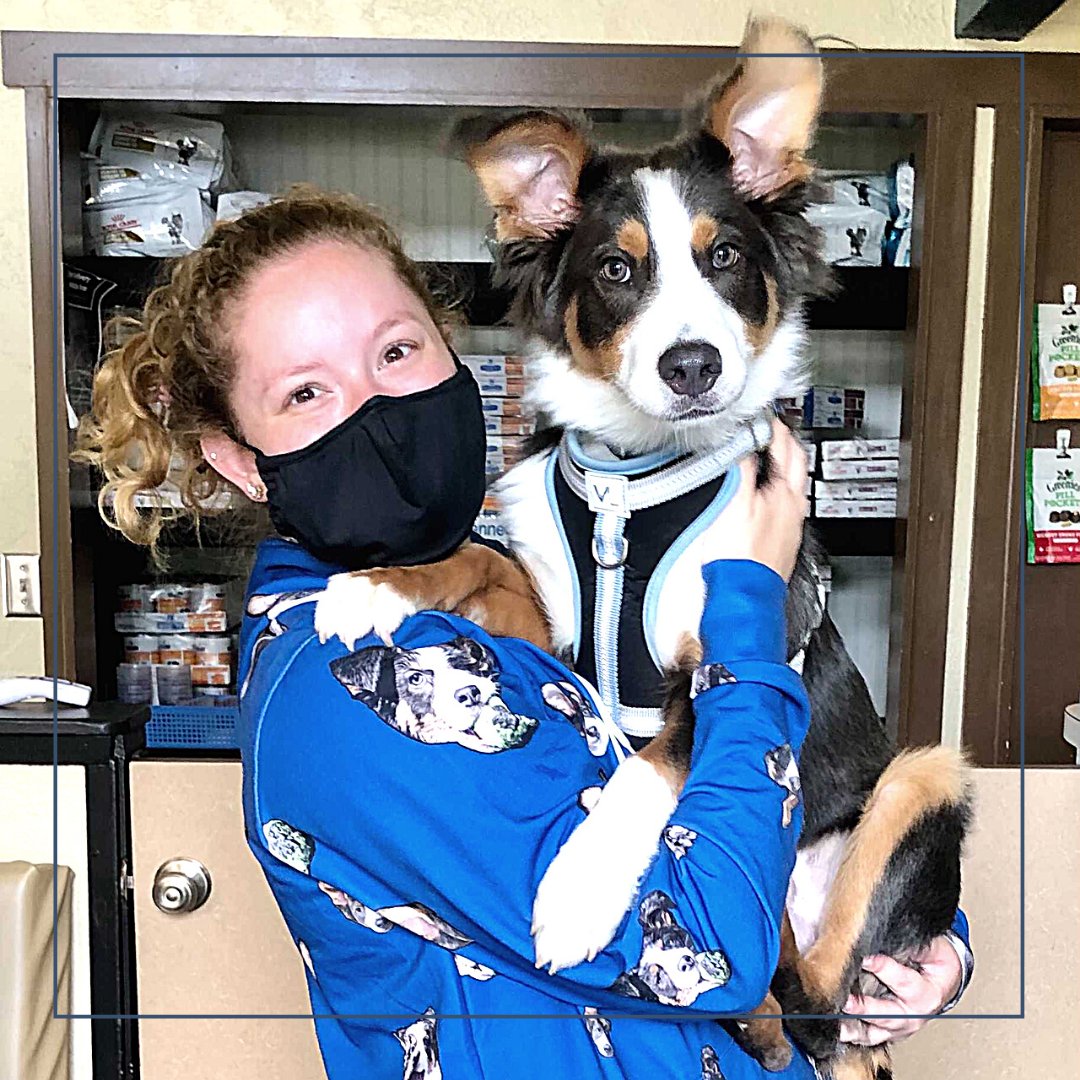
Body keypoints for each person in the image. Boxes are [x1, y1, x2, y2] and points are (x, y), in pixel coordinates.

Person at [77, 187, 971, 1077]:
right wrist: (747, 596)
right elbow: (712, 953)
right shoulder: (352, 687)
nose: (375, 413)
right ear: (239, 456)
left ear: (449, 347)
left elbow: (731, 777)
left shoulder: (500, 562)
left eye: (396, 350)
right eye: (307, 391)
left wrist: (917, 938)